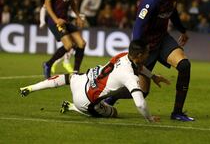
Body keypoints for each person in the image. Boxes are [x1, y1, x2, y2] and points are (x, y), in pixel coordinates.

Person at [105, 0, 195, 121]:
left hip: (162, 38)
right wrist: (136, 54)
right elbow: (138, 26)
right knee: (143, 91)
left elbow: (172, 12)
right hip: (146, 46)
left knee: (184, 65)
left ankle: (177, 113)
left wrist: (182, 30)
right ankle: (109, 99)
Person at [19, 40, 170, 121]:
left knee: (67, 77)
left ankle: (30, 88)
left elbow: (140, 67)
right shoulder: (129, 76)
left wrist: (153, 76)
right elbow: (140, 103)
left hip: (81, 80)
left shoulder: (123, 55)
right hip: (85, 101)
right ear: (138, 55)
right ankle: (73, 107)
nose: (148, 56)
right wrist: (149, 118)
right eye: (146, 53)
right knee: (114, 113)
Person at [42, 0, 86, 79]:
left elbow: (72, 3)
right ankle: (48, 64)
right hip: (54, 20)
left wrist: (78, 16)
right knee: (68, 45)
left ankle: (76, 72)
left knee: (81, 43)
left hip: (65, 20)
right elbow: (47, 3)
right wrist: (56, 19)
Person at [39, 5, 74, 74]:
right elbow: (44, 7)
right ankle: (59, 62)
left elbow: (69, 12)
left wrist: (78, 16)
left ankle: (61, 62)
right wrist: (42, 21)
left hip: (64, 21)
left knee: (73, 43)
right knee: (69, 44)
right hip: (56, 22)